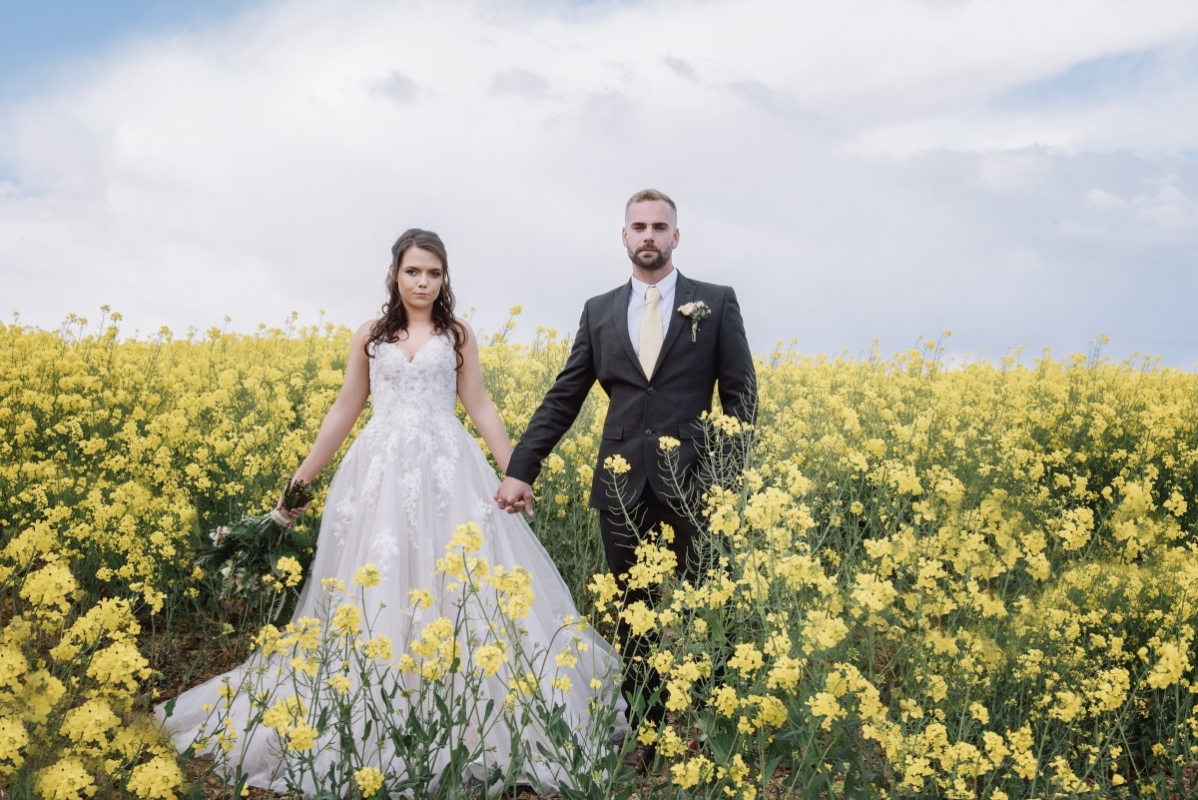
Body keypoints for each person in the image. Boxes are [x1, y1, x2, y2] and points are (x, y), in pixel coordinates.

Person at [157, 229, 625, 794]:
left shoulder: (458, 334)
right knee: (376, 586)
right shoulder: (370, 336)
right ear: (395, 274)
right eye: (413, 272)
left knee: (458, 583)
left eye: (433, 273)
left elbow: (478, 403)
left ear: (444, 278)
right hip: (377, 471)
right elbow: (344, 408)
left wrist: (513, 470)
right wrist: (299, 483)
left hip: (447, 469)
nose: (423, 282)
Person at [495, 189, 756, 775]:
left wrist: (721, 480)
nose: (649, 235)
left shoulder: (713, 303)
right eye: (638, 225)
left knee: (704, 615)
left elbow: (742, 398)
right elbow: (564, 397)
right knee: (631, 617)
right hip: (621, 488)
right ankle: (648, 737)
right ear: (623, 236)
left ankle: (709, 737)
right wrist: (521, 469)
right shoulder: (599, 310)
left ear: (675, 237)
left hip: (696, 488)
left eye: (659, 226)